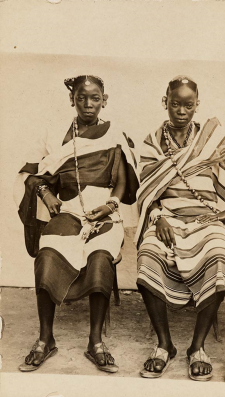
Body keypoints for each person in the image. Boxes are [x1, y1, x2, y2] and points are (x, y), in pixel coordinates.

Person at [14, 75, 139, 373]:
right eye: (81, 98)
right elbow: (31, 174)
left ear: (104, 101)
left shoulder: (115, 135)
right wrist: (45, 194)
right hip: (69, 212)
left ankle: (95, 341)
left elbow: (122, 184)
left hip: (105, 213)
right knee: (46, 254)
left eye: (94, 98)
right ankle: (46, 338)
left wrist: (110, 205)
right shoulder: (57, 135)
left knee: (100, 258)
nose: (88, 104)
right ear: (72, 99)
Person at [135, 75, 225, 380]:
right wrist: (158, 217)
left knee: (217, 251)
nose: (182, 111)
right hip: (167, 219)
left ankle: (197, 347)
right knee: (148, 252)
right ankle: (164, 345)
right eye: (176, 104)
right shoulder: (151, 142)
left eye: (188, 105)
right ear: (166, 103)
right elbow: (147, 190)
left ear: (197, 105)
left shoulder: (211, 136)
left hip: (205, 217)